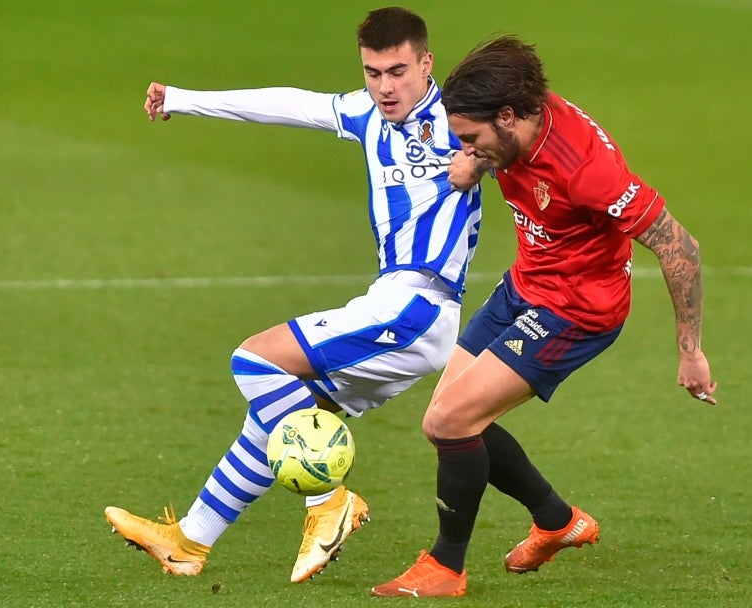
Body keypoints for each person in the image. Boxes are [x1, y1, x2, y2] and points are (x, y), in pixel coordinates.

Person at [104, 7, 485, 584]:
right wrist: (184, 98)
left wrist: (481, 160)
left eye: (398, 71)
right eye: (372, 72)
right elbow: (291, 105)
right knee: (276, 411)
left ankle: (328, 503)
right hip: (393, 305)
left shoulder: (463, 121)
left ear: (426, 63)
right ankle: (189, 541)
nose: (384, 87)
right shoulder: (365, 112)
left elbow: (526, 143)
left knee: (254, 359)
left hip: (419, 307)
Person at [371, 35, 717, 597]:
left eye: (472, 139)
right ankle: (559, 522)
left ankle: (446, 568)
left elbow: (682, 247)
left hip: (577, 310)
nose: (465, 148)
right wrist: (476, 165)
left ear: (507, 118)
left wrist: (690, 350)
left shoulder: (585, 168)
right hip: (525, 285)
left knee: (454, 421)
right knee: (443, 422)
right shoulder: (515, 123)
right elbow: (501, 159)